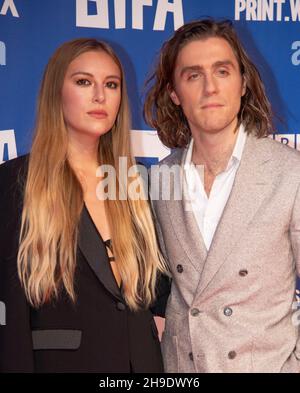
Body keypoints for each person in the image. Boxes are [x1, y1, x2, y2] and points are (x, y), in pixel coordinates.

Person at [0, 38, 168, 373]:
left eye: (111, 84)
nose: (100, 96)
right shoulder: (14, 182)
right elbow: (11, 311)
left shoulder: (139, 183)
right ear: (55, 92)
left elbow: (158, 293)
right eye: (83, 82)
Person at [144, 19, 300, 373]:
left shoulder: (291, 174)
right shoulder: (159, 180)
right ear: (174, 92)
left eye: (223, 71)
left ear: (243, 83)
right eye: (193, 75)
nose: (210, 88)